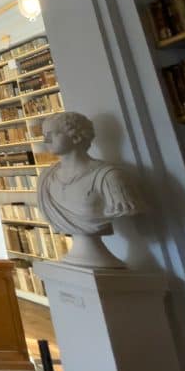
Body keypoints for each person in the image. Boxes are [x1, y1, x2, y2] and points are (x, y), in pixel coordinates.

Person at [37, 111, 139, 267]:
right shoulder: (45, 179)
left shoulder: (109, 177)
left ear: (76, 136)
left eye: (53, 134)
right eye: (45, 135)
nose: (46, 140)